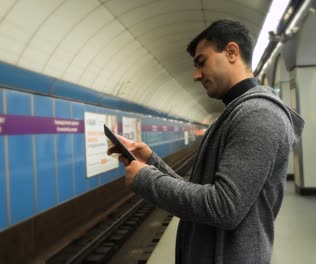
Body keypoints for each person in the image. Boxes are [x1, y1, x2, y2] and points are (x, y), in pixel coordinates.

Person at [107, 19, 304, 264]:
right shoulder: (237, 113)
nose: (196, 75)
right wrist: (152, 162)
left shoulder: (258, 115)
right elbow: (206, 192)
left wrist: (145, 179)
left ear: (232, 52)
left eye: (202, 62)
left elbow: (223, 206)